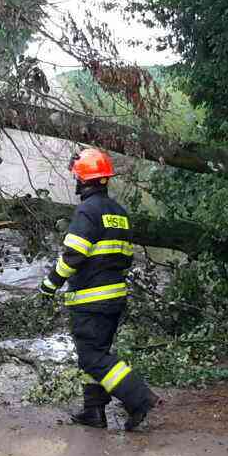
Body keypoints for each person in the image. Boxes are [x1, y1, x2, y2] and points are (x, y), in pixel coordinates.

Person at [40, 147, 154, 431]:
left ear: (82, 178)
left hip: (91, 299)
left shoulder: (87, 211)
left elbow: (73, 256)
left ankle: (139, 399)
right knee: (95, 353)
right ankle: (94, 412)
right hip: (114, 297)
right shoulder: (119, 213)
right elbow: (126, 257)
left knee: (94, 357)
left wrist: (49, 285)